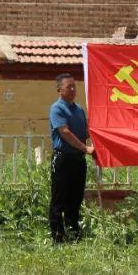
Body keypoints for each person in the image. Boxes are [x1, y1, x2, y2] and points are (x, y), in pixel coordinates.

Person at [48, 73, 94, 243]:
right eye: (69, 87)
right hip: (63, 159)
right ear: (60, 89)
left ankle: (74, 235)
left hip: (78, 160)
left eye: (75, 86)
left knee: (75, 199)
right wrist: (86, 148)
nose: (73, 90)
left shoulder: (79, 109)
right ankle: (57, 238)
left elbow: (86, 132)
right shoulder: (57, 109)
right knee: (59, 199)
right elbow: (65, 133)